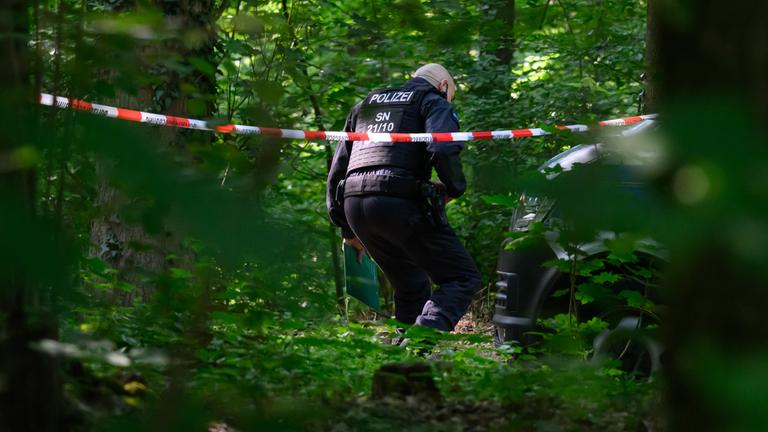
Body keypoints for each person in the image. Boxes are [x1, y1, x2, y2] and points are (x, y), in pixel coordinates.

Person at [326, 63, 481, 332]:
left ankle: (406, 350)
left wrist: (347, 229)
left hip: (355, 205)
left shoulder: (366, 104)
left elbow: (338, 168)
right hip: (399, 202)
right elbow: (443, 148)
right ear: (443, 86)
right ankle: (420, 338)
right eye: (450, 95)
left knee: (410, 283)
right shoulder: (432, 101)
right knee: (462, 277)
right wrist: (454, 188)